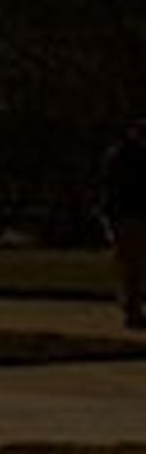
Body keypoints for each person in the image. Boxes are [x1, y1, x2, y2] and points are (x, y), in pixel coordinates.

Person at [100, 117, 146, 333]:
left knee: (130, 265)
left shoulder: (119, 155)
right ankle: (132, 310)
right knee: (132, 266)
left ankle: (132, 308)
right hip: (129, 215)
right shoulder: (128, 157)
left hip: (126, 215)